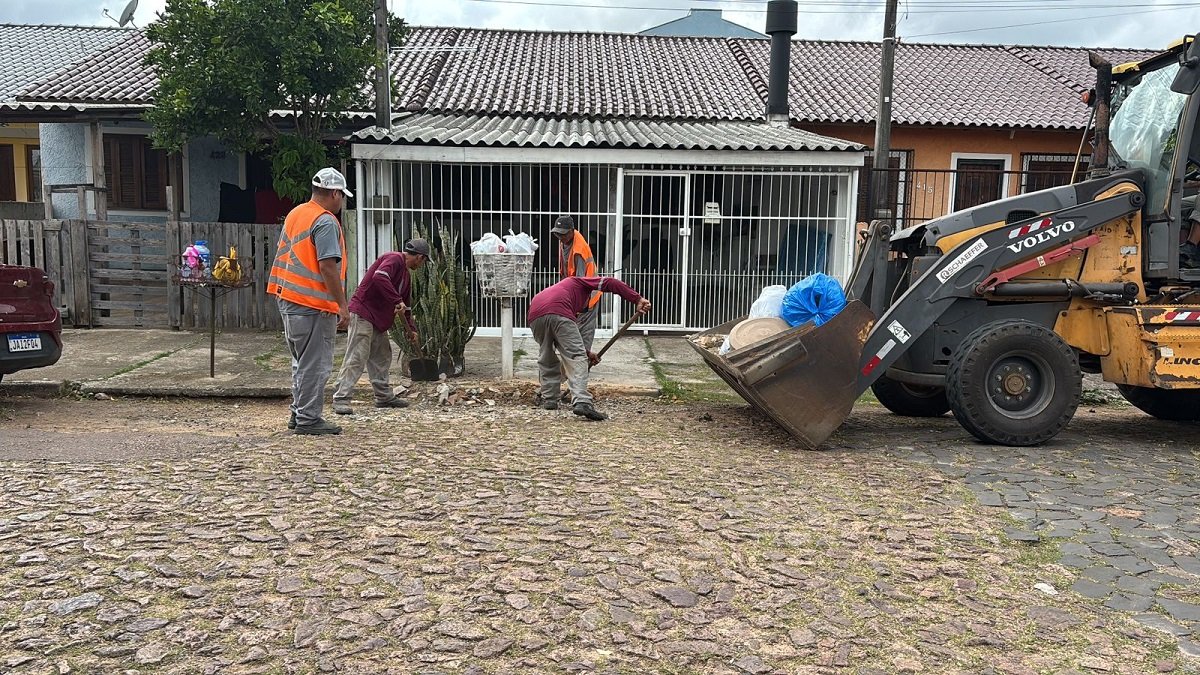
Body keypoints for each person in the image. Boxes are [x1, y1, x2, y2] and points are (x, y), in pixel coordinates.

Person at [267, 167, 351, 435]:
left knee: (301, 362)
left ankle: (298, 412)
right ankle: (308, 419)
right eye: (342, 196)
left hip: (289, 299)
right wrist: (342, 305)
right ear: (335, 193)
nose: (342, 202)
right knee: (315, 364)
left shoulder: (297, 213)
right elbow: (328, 266)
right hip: (312, 304)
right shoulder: (325, 221)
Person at [528, 276, 651, 421]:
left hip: (535, 315)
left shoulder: (560, 291)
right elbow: (610, 282)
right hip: (558, 312)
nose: (581, 311)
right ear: (588, 298)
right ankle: (582, 401)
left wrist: (588, 354)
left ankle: (549, 399)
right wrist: (637, 299)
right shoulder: (578, 282)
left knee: (547, 356)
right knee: (577, 358)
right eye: (584, 309)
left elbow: (565, 342)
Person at [331, 239, 430, 415]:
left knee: (382, 356)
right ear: (420, 257)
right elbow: (380, 276)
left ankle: (383, 396)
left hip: (378, 319)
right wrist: (396, 300)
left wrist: (412, 328)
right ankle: (341, 398)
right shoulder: (393, 258)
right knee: (357, 356)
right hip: (363, 313)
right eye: (424, 261)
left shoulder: (405, 277)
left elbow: (405, 305)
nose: (422, 265)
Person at [552, 216, 601, 350]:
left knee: (584, 331)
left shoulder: (579, 250)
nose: (560, 237)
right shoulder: (564, 241)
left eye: (562, 234)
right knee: (573, 328)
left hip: (588, 294)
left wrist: (575, 304)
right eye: (557, 233)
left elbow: (581, 283)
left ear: (571, 231)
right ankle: (575, 360)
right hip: (573, 290)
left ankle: (583, 364)